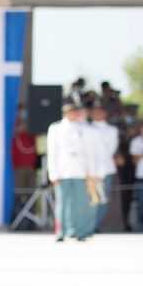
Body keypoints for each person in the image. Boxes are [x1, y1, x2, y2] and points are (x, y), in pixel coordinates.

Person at [47, 102, 94, 241]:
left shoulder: (84, 128)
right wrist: (53, 173)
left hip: (80, 169)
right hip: (63, 169)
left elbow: (90, 152)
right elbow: (52, 151)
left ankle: (79, 231)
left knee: (80, 202)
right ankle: (61, 231)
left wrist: (91, 171)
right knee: (63, 202)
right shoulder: (56, 128)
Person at [89, 105, 119, 232]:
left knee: (102, 197)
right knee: (88, 198)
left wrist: (100, 171)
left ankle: (96, 224)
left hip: (105, 169)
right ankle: (88, 223)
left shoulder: (112, 130)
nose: (97, 114)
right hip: (88, 169)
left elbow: (109, 151)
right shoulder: (86, 128)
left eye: (100, 112)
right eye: (94, 112)